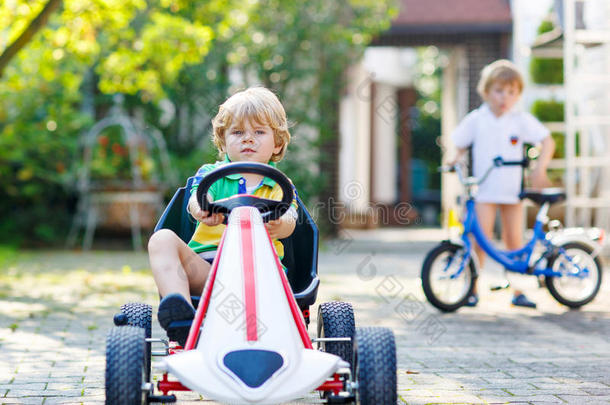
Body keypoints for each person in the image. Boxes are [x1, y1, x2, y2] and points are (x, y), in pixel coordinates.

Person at [148, 87, 298, 344]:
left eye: (259, 132)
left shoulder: (279, 185)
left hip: (263, 277)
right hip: (209, 273)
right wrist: (203, 210)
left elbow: (291, 219)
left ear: (278, 142)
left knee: (277, 240)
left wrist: (279, 224)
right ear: (223, 139)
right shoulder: (210, 176)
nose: (248, 139)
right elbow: (195, 200)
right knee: (161, 239)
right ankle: (181, 317)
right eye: (238, 132)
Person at [449, 59, 555, 309]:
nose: (504, 98)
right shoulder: (477, 119)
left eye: (511, 92)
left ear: (518, 94)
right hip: (485, 189)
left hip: (512, 190)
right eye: (498, 91)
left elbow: (547, 141)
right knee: (480, 239)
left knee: (514, 240)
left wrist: (540, 168)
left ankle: (517, 289)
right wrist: (453, 159)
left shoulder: (520, 120)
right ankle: (472, 289)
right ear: (486, 92)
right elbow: (459, 144)